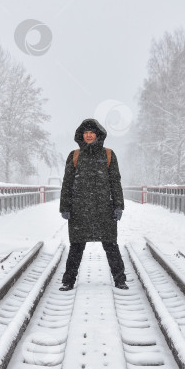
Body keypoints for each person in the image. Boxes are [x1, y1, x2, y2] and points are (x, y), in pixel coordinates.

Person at [59, 118, 128, 291]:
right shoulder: (74, 155)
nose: (89, 135)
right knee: (76, 246)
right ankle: (68, 281)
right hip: (79, 210)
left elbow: (115, 181)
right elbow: (67, 183)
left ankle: (120, 280)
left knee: (111, 245)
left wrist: (118, 205)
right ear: (82, 135)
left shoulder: (109, 154)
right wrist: (65, 207)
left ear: (98, 135)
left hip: (104, 208)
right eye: (86, 133)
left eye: (92, 133)